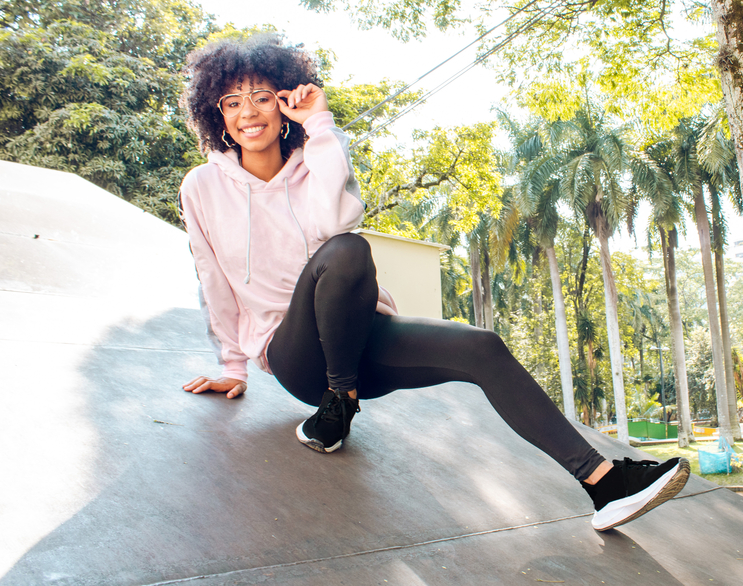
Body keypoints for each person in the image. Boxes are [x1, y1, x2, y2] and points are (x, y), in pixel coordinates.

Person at [177, 34, 689, 532]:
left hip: (357, 336)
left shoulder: (315, 162)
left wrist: (320, 125)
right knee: (346, 252)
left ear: (284, 102)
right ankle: (336, 402)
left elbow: (337, 223)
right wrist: (233, 366)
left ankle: (604, 485)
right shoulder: (202, 187)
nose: (249, 113)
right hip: (295, 355)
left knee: (478, 343)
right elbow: (211, 276)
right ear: (216, 114)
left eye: (263, 97)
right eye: (232, 101)